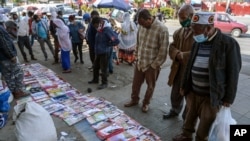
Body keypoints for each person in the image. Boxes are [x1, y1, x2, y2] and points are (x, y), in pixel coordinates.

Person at [172, 11, 241, 141]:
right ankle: (186, 135)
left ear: (209, 28)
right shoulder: (198, 42)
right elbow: (190, 65)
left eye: (196, 31)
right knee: (189, 118)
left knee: (205, 125)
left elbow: (233, 72)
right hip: (193, 92)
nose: (194, 35)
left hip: (211, 96)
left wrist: (229, 98)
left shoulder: (228, 44)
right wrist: (184, 85)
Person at [124, 9, 169, 113]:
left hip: (152, 65)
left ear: (149, 19)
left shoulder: (162, 29)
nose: (142, 26)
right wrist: (136, 56)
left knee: (150, 86)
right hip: (140, 62)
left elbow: (163, 51)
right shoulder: (141, 26)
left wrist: (154, 65)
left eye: (144, 23)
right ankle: (134, 100)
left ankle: (146, 103)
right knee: (135, 84)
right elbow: (138, 43)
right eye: (140, 24)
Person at [163, 4, 194, 120]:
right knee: (175, 93)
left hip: (191, 71)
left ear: (191, 16)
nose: (181, 20)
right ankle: (174, 110)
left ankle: (187, 119)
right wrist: (177, 54)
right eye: (179, 17)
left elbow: (200, 52)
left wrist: (184, 55)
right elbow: (171, 47)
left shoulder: (198, 32)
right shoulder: (178, 32)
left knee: (190, 97)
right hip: (178, 68)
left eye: (183, 18)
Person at [0, 14, 30, 99]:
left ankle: (13, 91)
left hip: (2, 57)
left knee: (8, 75)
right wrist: (11, 56)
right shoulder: (1, 29)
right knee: (18, 72)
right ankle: (18, 91)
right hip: (7, 57)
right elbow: (4, 44)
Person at [88, 17, 119, 90]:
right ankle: (95, 79)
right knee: (95, 66)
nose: (95, 27)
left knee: (103, 69)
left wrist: (108, 45)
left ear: (99, 23)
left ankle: (104, 83)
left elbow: (116, 40)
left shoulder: (107, 30)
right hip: (98, 51)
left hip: (104, 52)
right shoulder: (100, 29)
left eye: (95, 25)